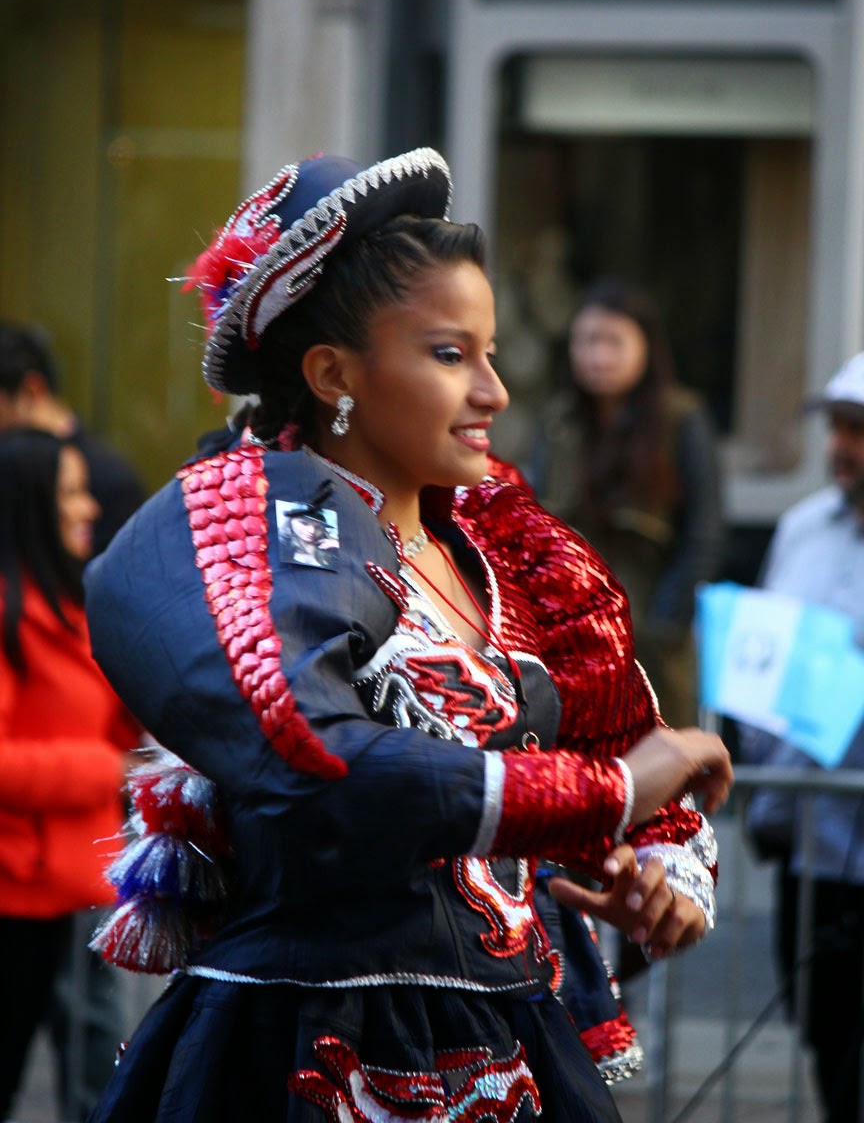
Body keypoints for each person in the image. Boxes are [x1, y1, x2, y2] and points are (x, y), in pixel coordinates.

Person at [84, 148, 732, 1123]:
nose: (493, 393)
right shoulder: (242, 525)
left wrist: (660, 866)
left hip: (516, 1040)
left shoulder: (509, 550)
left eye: (492, 353)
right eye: (448, 354)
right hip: (306, 1050)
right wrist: (611, 792)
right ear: (334, 373)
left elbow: (624, 744)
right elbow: (314, 760)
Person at [0, 320, 147, 1122]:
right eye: (68, 495)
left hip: (74, 883)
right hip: (19, 891)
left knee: (92, 1063)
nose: (89, 504)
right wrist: (107, 770)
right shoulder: (9, 616)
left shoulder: (70, 607)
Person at [743, 351, 864, 1123]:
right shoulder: (800, 529)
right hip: (811, 848)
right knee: (827, 1035)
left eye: (859, 430)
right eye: (839, 427)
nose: (841, 446)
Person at [532, 277, 724, 729]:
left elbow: (704, 535)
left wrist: (663, 626)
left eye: (614, 342)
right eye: (587, 341)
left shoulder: (682, 418)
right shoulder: (559, 422)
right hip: (568, 633)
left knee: (659, 763)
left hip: (652, 631)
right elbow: (534, 523)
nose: (598, 356)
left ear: (646, 346)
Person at [0, 320, 146, 553]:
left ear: (31, 390)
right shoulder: (15, 464)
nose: (89, 509)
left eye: (74, 490)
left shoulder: (109, 479)